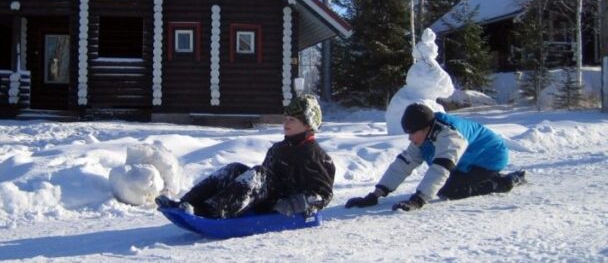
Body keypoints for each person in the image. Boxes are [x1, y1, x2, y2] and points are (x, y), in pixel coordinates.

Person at [156, 94, 336, 219]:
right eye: (285, 118)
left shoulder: (314, 155)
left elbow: (323, 194)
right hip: (267, 196)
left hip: (281, 203)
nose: (285, 123)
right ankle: (187, 202)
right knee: (234, 169)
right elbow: (266, 178)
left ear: (307, 125)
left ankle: (211, 211)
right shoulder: (279, 148)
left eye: (292, 120)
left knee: (258, 174)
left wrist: (293, 205)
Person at [345, 103, 526, 212]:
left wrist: (418, 200)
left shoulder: (450, 136)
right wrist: (375, 195)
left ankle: (504, 182)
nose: (410, 138)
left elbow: (440, 169)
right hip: (467, 159)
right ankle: (491, 179)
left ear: (424, 128)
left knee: (449, 190)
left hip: (489, 157)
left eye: (412, 133)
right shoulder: (424, 133)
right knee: (446, 185)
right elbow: (403, 164)